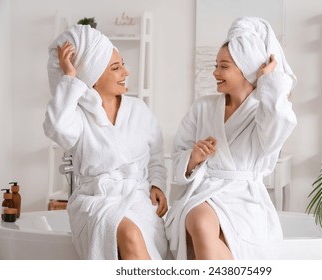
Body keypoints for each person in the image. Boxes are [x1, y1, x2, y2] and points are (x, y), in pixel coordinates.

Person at [165, 17, 297, 260]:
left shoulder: (264, 111)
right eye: (216, 65)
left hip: (245, 199)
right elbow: (178, 157)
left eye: (223, 66)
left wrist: (269, 81)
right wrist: (193, 157)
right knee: (199, 220)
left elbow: (277, 129)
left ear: (246, 68)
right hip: (204, 193)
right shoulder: (202, 107)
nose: (215, 72)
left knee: (222, 239)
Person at [43, 24, 168, 260]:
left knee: (136, 233)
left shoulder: (138, 110)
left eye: (123, 64)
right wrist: (70, 78)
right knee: (130, 233)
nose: (126, 72)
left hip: (138, 199)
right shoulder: (77, 117)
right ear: (93, 78)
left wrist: (158, 184)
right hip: (96, 202)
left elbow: (157, 156)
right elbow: (56, 127)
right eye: (116, 67)